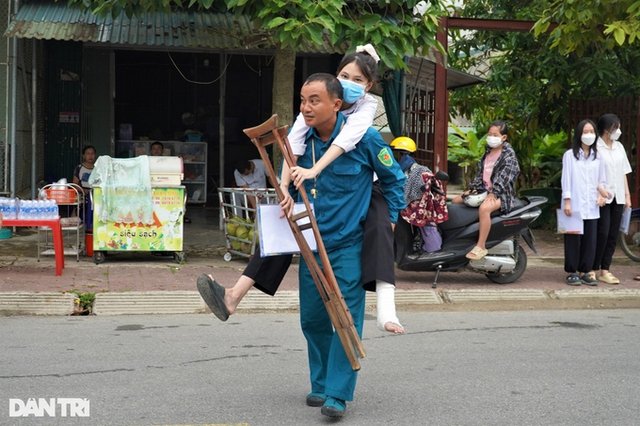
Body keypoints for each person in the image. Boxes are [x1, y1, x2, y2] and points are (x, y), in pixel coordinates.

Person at [198, 45, 405, 334]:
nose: (350, 84)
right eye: (344, 75)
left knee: (382, 228)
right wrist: (283, 189)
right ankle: (234, 295)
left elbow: (354, 147)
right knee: (280, 226)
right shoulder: (309, 116)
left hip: (363, 199)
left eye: (358, 80)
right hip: (315, 208)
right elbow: (291, 146)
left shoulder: (364, 119)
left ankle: (387, 311)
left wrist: (393, 217)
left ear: (368, 86)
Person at [284, 73, 404, 417]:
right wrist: (286, 198)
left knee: (346, 319)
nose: (306, 108)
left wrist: (389, 220)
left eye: (314, 101)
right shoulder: (301, 141)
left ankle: (337, 394)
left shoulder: (364, 139)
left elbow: (396, 180)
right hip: (311, 246)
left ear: (337, 105)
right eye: (303, 100)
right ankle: (320, 383)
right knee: (313, 318)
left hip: (349, 246)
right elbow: (293, 187)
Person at [451, 120, 520, 260]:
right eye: (490, 134)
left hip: (502, 194)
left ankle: (481, 246)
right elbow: (480, 175)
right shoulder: (486, 154)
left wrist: (493, 193)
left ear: (503, 137)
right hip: (484, 191)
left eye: (495, 135)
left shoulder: (509, 156)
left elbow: (504, 178)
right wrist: (473, 189)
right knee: (456, 201)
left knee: (484, 209)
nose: (491, 137)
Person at [561, 119, 610, 286]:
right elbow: (566, 179)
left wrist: (601, 195)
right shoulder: (570, 156)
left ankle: (586, 271)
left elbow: (601, 181)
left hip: (591, 205)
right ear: (579, 134)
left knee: (590, 238)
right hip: (574, 203)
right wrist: (567, 201)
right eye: (585, 132)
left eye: (591, 132)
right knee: (573, 238)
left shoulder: (598, 157)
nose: (589, 135)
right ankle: (572, 271)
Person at [589, 114, 632, 284]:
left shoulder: (619, 147)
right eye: (616, 128)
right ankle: (592, 268)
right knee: (602, 232)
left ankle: (605, 270)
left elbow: (623, 172)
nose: (619, 131)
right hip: (602, 197)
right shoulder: (596, 148)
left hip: (618, 197)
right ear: (607, 129)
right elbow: (592, 174)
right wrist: (599, 191)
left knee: (613, 234)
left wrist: (627, 196)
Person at [72, 145, 96, 230]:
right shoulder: (79, 168)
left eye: (92, 154)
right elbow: (75, 184)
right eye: (88, 154)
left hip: (95, 193)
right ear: (84, 156)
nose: (90, 156)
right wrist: (83, 190)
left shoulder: (97, 168)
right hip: (83, 193)